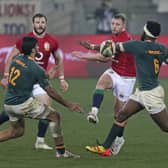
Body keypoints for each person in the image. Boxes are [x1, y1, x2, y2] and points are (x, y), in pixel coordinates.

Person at [85, 20, 168, 157]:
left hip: (150, 95)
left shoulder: (137, 45)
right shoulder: (162, 48)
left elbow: (111, 46)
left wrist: (93, 46)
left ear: (145, 32)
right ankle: (105, 148)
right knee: (121, 115)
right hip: (143, 91)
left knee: (166, 127)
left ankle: (106, 147)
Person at [0, 36, 83, 158]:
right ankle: (61, 152)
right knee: (54, 116)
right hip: (22, 104)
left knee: (17, 131)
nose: (38, 47)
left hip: (8, 104)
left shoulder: (16, 59)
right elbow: (50, 91)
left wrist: (46, 76)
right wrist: (68, 104)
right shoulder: (36, 68)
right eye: (37, 46)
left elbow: (27, 78)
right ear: (33, 50)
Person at [0, 13, 69, 150]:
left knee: (47, 107)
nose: (40, 24)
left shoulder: (52, 41)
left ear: (46, 24)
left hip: (38, 80)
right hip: (23, 79)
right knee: (11, 110)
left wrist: (61, 79)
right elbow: (11, 56)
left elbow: (58, 59)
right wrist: (6, 76)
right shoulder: (25, 39)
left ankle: (40, 140)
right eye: (37, 22)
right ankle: (57, 149)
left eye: (42, 22)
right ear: (33, 24)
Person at [72, 13, 136, 155]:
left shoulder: (124, 38)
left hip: (127, 78)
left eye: (117, 24)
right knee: (101, 83)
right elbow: (106, 47)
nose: (114, 26)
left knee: (119, 114)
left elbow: (103, 57)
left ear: (123, 26)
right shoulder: (116, 37)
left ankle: (119, 139)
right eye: (112, 23)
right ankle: (94, 113)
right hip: (115, 71)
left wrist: (83, 55)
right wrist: (92, 46)